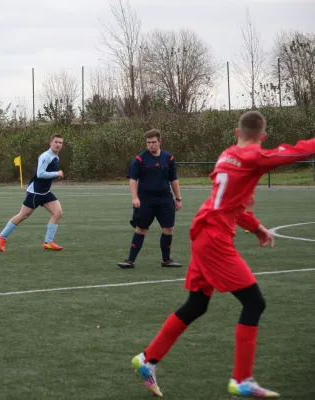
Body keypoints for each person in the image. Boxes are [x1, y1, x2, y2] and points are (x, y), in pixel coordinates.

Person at [130, 111, 315, 398]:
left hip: (205, 232)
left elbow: (230, 204)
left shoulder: (227, 154)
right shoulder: (253, 157)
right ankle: (241, 379)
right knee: (254, 302)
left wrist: (255, 227)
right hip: (215, 238)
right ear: (263, 136)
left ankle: (147, 359)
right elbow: (295, 152)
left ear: (235, 131)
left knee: (197, 304)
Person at [117, 129, 182, 269]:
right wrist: (135, 198)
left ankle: (166, 260)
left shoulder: (168, 158)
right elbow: (133, 179)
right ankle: (130, 260)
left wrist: (178, 198)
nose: (151, 145)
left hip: (165, 199)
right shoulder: (140, 159)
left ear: (159, 142)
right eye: (148, 143)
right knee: (141, 229)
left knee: (168, 228)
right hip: (145, 200)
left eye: (153, 142)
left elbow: (174, 180)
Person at [0, 134, 65, 252]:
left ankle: (48, 242)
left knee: (58, 213)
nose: (58, 144)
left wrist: (55, 175)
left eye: (60, 143)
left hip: (45, 192)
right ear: (50, 143)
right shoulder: (46, 156)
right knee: (23, 215)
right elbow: (40, 174)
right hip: (35, 193)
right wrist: (56, 174)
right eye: (56, 142)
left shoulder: (55, 157)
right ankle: (1, 236)